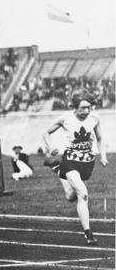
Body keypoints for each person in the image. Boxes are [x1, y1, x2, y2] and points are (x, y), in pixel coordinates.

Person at [42, 90, 108, 245]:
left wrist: (102, 155)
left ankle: (57, 168)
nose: (86, 111)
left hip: (86, 163)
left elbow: (99, 138)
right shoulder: (66, 118)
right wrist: (50, 146)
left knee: (71, 196)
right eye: (83, 108)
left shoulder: (94, 118)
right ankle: (88, 233)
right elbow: (45, 132)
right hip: (70, 160)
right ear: (75, 106)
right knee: (83, 194)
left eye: (89, 107)